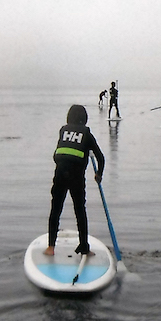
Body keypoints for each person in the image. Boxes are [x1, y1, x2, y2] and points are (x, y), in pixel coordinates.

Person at [45, 104, 104, 256]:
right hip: (76, 176)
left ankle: (51, 247)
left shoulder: (63, 131)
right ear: (84, 119)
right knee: (80, 210)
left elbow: (56, 155)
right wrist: (99, 175)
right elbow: (101, 158)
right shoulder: (87, 134)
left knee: (56, 209)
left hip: (60, 173)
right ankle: (84, 246)